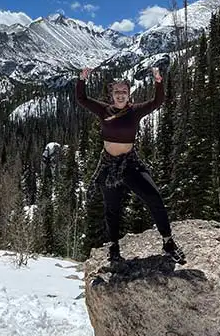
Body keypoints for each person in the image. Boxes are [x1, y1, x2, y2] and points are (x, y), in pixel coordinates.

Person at [76, 66, 185, 263]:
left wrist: (158, 82)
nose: (120, 95)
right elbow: (82, 99)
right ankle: (114, 247)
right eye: (116, 92)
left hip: (130, 163)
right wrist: (82, 80)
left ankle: (168, 242)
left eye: (124, 92)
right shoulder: (103, 110)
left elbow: (157, 101)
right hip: (109, 166)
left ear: (129, 94)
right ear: (112, 94)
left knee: (154, 198)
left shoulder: (134, 111)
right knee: (112, 209)